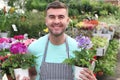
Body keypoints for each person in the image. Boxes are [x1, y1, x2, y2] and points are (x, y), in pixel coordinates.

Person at [17, 1, 97, 80]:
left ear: (67, 21)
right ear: (46, 21)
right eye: (52, 17)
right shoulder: (34, 48)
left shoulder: (79, 49)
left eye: (61, 17)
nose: (56, 21)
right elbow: (32, 74)